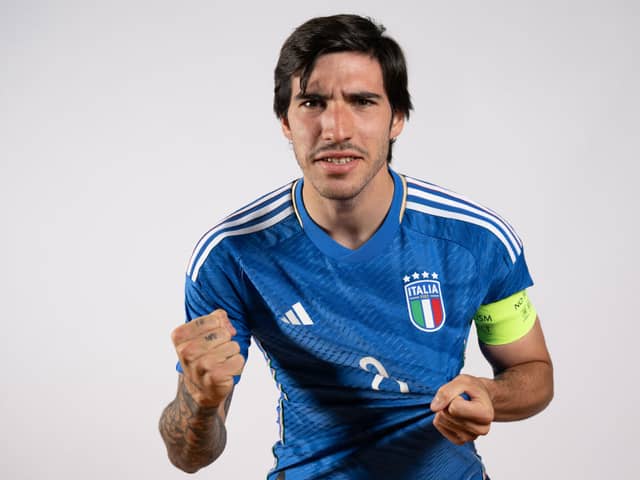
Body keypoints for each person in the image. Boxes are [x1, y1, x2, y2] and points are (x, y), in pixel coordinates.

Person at [159, 14, 553, 479]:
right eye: (312, 102)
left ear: (397, 119)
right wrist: (199, 403)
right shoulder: (232, 254)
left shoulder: (475, 240)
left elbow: (532, 371)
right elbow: (190, 456)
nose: (336, 128)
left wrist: (491, 394)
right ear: (285, 121)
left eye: (362, 101)